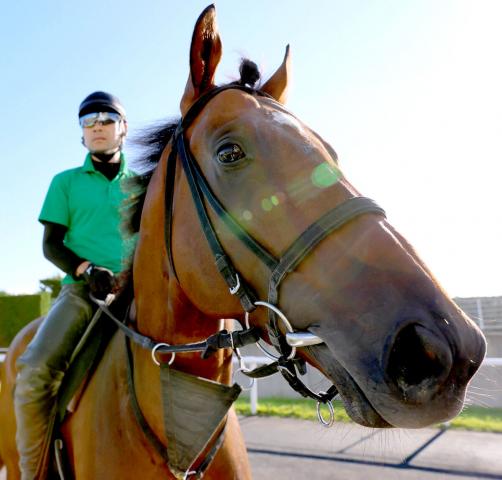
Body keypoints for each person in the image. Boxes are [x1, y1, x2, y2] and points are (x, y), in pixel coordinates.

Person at [14, 91, 136, 480]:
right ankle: (35, 472)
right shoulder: (64, 182)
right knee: (33, 373)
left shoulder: (144, 183)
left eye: (106, 119)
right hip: (84, 292)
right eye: (88, 122)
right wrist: (86, 270)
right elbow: (51, 244)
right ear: (82, 134)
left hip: (139, 290)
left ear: (123, 128)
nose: (97, 126)